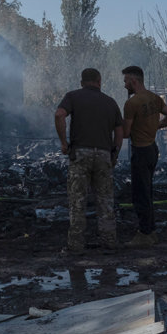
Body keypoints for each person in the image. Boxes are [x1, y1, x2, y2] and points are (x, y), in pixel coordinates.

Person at [55, 68, 123, 255]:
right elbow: (119, 131)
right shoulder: (110, 102)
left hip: (80, 154)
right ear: (99, 81)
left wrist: (63, 142)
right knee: (105, 200)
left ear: (81, 82)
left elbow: (59, 114)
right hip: (103, 155)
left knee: (78, 200)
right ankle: (109, 242)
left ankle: (76, 245)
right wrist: (115, 153)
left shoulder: (73, 96)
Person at [121, 65, 167, 247]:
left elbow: (126, 133)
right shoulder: (155, 99)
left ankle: (145, 233)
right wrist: (156, 127)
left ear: (134, 81)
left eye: (126, 81)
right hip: (153, 150)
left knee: (140, 194)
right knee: (148, 191)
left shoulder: (132, 103)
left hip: (140, 151)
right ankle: (150, 231)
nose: (124, 85)